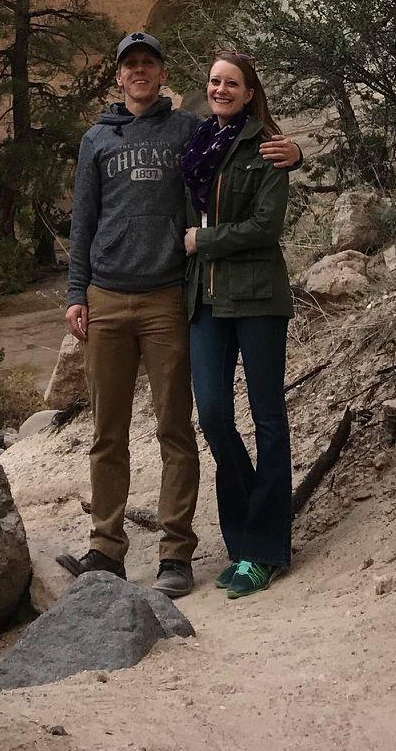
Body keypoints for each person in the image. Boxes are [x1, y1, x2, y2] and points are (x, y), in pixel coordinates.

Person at [60, 31, 301, 597]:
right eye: (130, 65)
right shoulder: (97, 139)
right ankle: (105, 547)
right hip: (113, 296)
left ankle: (179, 553)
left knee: (180, 427)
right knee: (117, 428)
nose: (139, 72)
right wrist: (76, 294)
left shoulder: (188, 131)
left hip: (174, 295)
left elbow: (247, 142)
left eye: (148, 63)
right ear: (118, 76)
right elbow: (82, 221)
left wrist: (295, 153)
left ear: (162, 73)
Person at [182, 50, 295, 598]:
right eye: (214, 82)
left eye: (232, 83)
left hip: (257, 298)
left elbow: (265, 226)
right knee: (214, 417)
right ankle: (246, 536)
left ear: (250, 92)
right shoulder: (199, 142)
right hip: (204, 302)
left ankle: (265, 549)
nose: (221, 90)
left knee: (270, 420)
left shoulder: (270, 147)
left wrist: (203, 241)